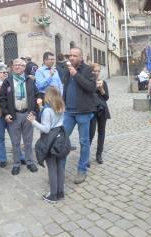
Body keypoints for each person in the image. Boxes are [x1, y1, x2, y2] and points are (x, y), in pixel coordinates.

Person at [0, 58, 39, 175]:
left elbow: (37, 96)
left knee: (28, 141)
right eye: (15, 65)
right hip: (14, 115)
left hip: (27, 114)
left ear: (24, 67)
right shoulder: (8, 81)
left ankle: (30, 162)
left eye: (20, 65)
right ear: (12, 67)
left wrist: (34, 112)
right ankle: (16, 163)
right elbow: (2, 99)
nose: (17, 67)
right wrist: (6, 113)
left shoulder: (29, 80)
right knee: (15, 142)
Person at [27, 87, 67, 203]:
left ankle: (53, 195)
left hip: (50, 141)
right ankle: (60, 192)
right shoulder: (60, 107)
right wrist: (41, 108)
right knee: (60, 166)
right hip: (60, 138)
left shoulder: (47, 111)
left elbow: (46, 129)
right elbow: (53, 120)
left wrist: (33, 121)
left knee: (52, 169)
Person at [63, 47, 96, 184]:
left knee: (84, 141)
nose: (71, 58)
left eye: (75, 55)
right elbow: (65, 88)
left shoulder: (88, 70)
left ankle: (82, 170)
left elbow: (91, 88)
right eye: (70, 55)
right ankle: (60, 168)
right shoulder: (66, 70)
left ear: (81, 57)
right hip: (68, 112)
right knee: (63, 139)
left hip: (83, 112)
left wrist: (76, 74)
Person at [89, 63, 110, 164]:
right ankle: (85, 156)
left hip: (102, 109)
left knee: (101, 132)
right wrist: (93, 87)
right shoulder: (87, 82)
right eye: (94, 71)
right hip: (91, 109)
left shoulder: (103, 82)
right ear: (91, 71)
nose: (96, 73)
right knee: (91, 133)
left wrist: (101, 89)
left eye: (98, 71)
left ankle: (99, 154)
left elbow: (106, 98)